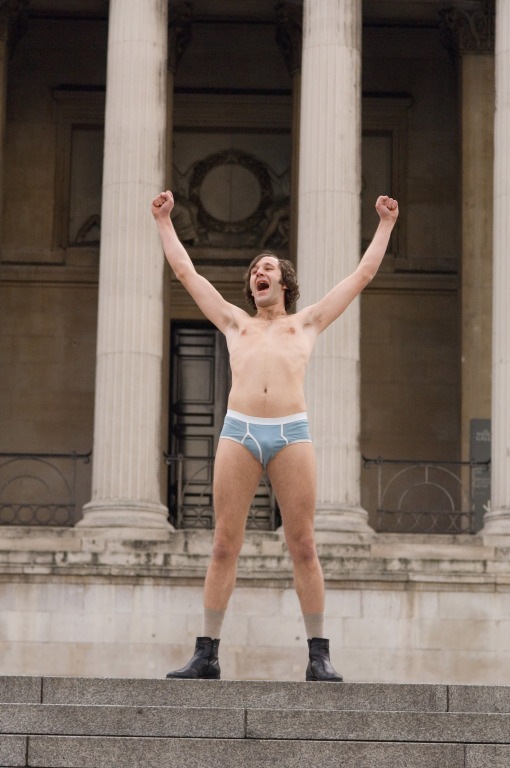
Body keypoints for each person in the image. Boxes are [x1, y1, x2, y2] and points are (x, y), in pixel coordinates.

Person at [152, 190, 399, 682]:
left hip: (291, 433)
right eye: (253, 271)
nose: (257, 273)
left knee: (303, 544)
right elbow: (186, 273)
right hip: (239, 431)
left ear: (283, 281)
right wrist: (163, 221)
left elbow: (361, 276)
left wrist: (386, 224)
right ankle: (207, 653)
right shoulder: (235, 323)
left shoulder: (306, 323)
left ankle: (318, 655)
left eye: (266, 268)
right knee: (224, 544)